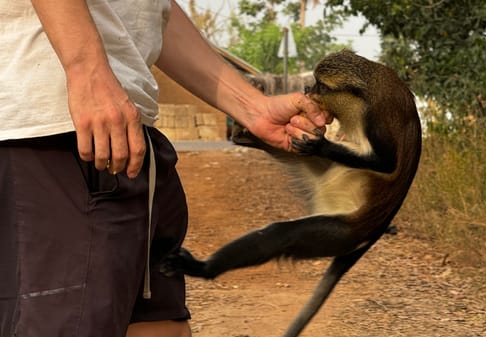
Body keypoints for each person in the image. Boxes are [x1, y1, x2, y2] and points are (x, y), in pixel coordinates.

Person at [0, 1, 328, 337]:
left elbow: (149, 10)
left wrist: (251, 107)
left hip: (131, 130)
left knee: (161, 328)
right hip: (59, 129)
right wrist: (86, 70)